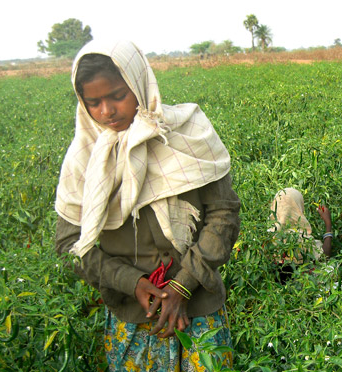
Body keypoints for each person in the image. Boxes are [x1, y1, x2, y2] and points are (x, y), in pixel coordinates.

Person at [54, 40, 240, 371]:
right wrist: (133, 283)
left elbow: (223, 214)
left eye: (116, 95)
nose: (106, 111)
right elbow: (70, 244)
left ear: (139, 84)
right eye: (93, 102)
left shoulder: (187, 133)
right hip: (131, 312)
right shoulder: (83, 159)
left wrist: (183, 284)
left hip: (200, 303)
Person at [267, 188, 333, 281]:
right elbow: (324, 257)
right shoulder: (301, 238)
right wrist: (328, 224)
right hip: (301, 288)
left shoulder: (267, 237)